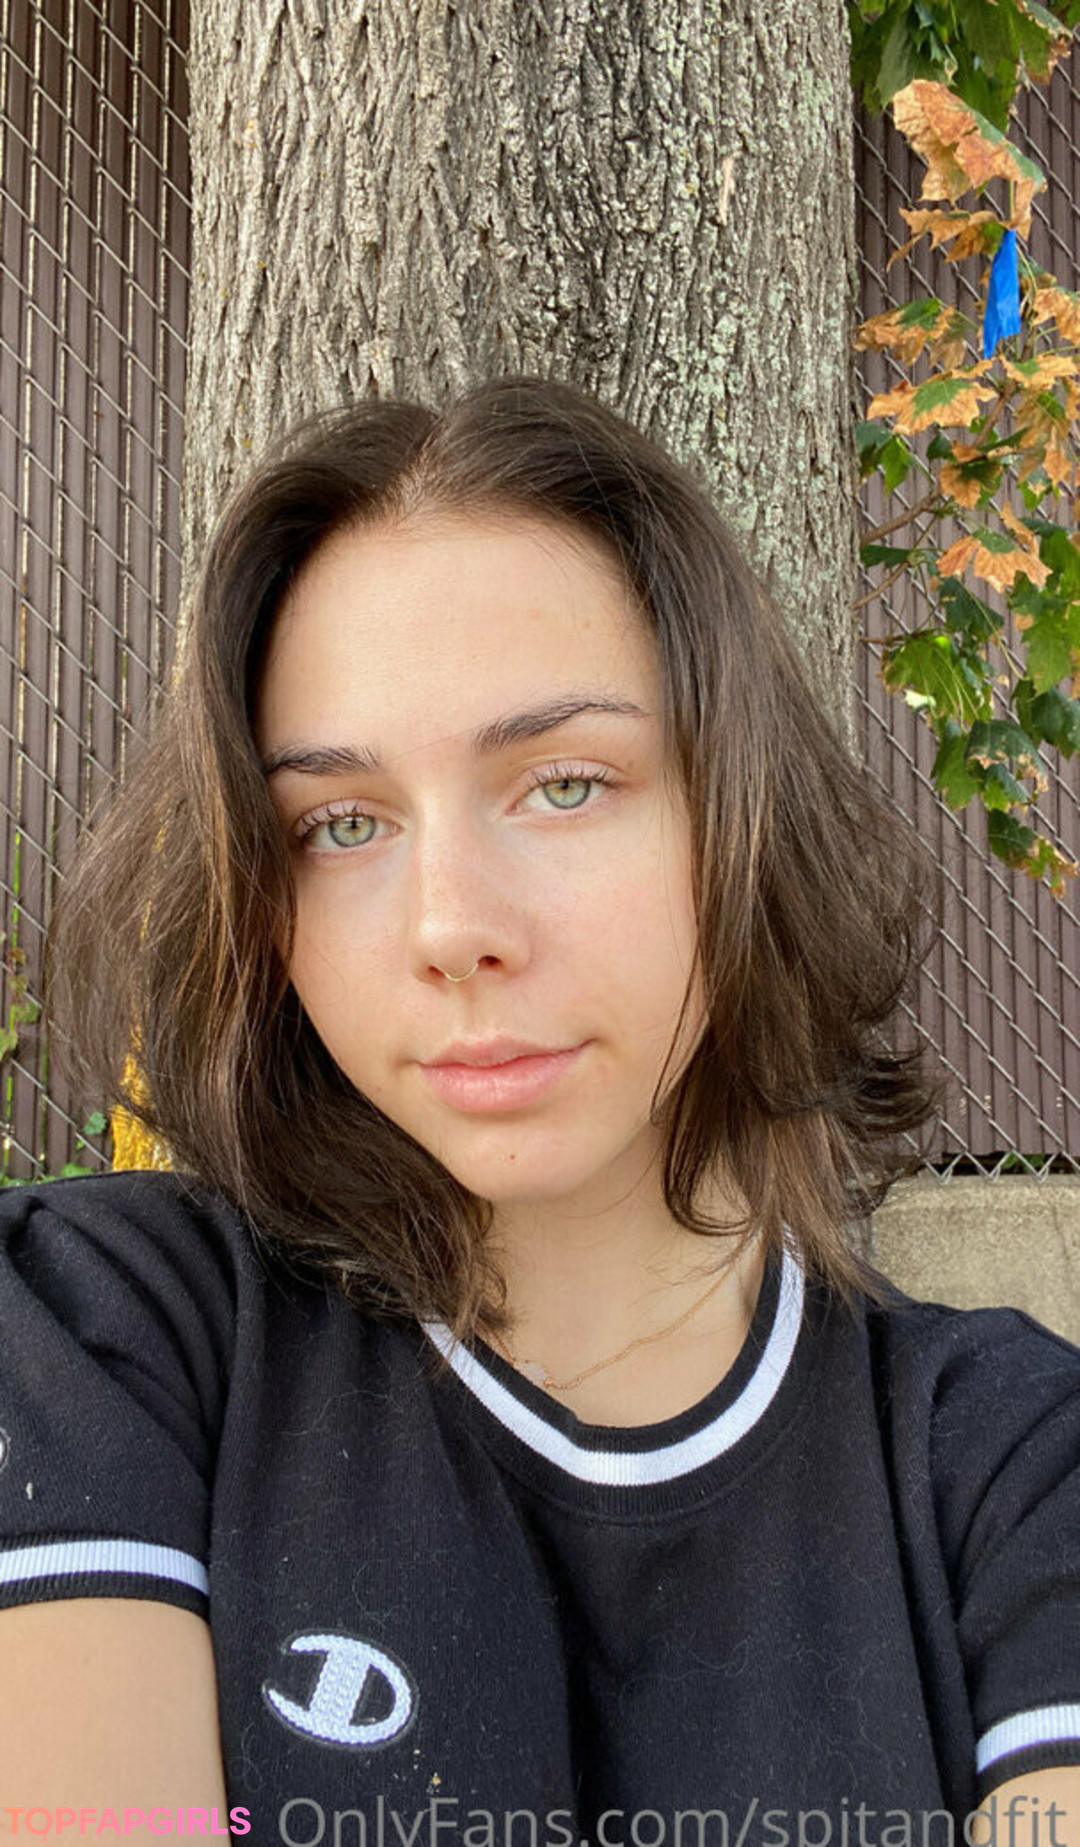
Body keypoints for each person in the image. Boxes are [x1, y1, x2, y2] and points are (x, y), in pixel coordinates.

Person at [0, 375, 1077, 1844]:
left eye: (565, 785)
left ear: (742, 815)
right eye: (341, 823)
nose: (451, 926)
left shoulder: (1012, 1468)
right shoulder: (94, 1341)